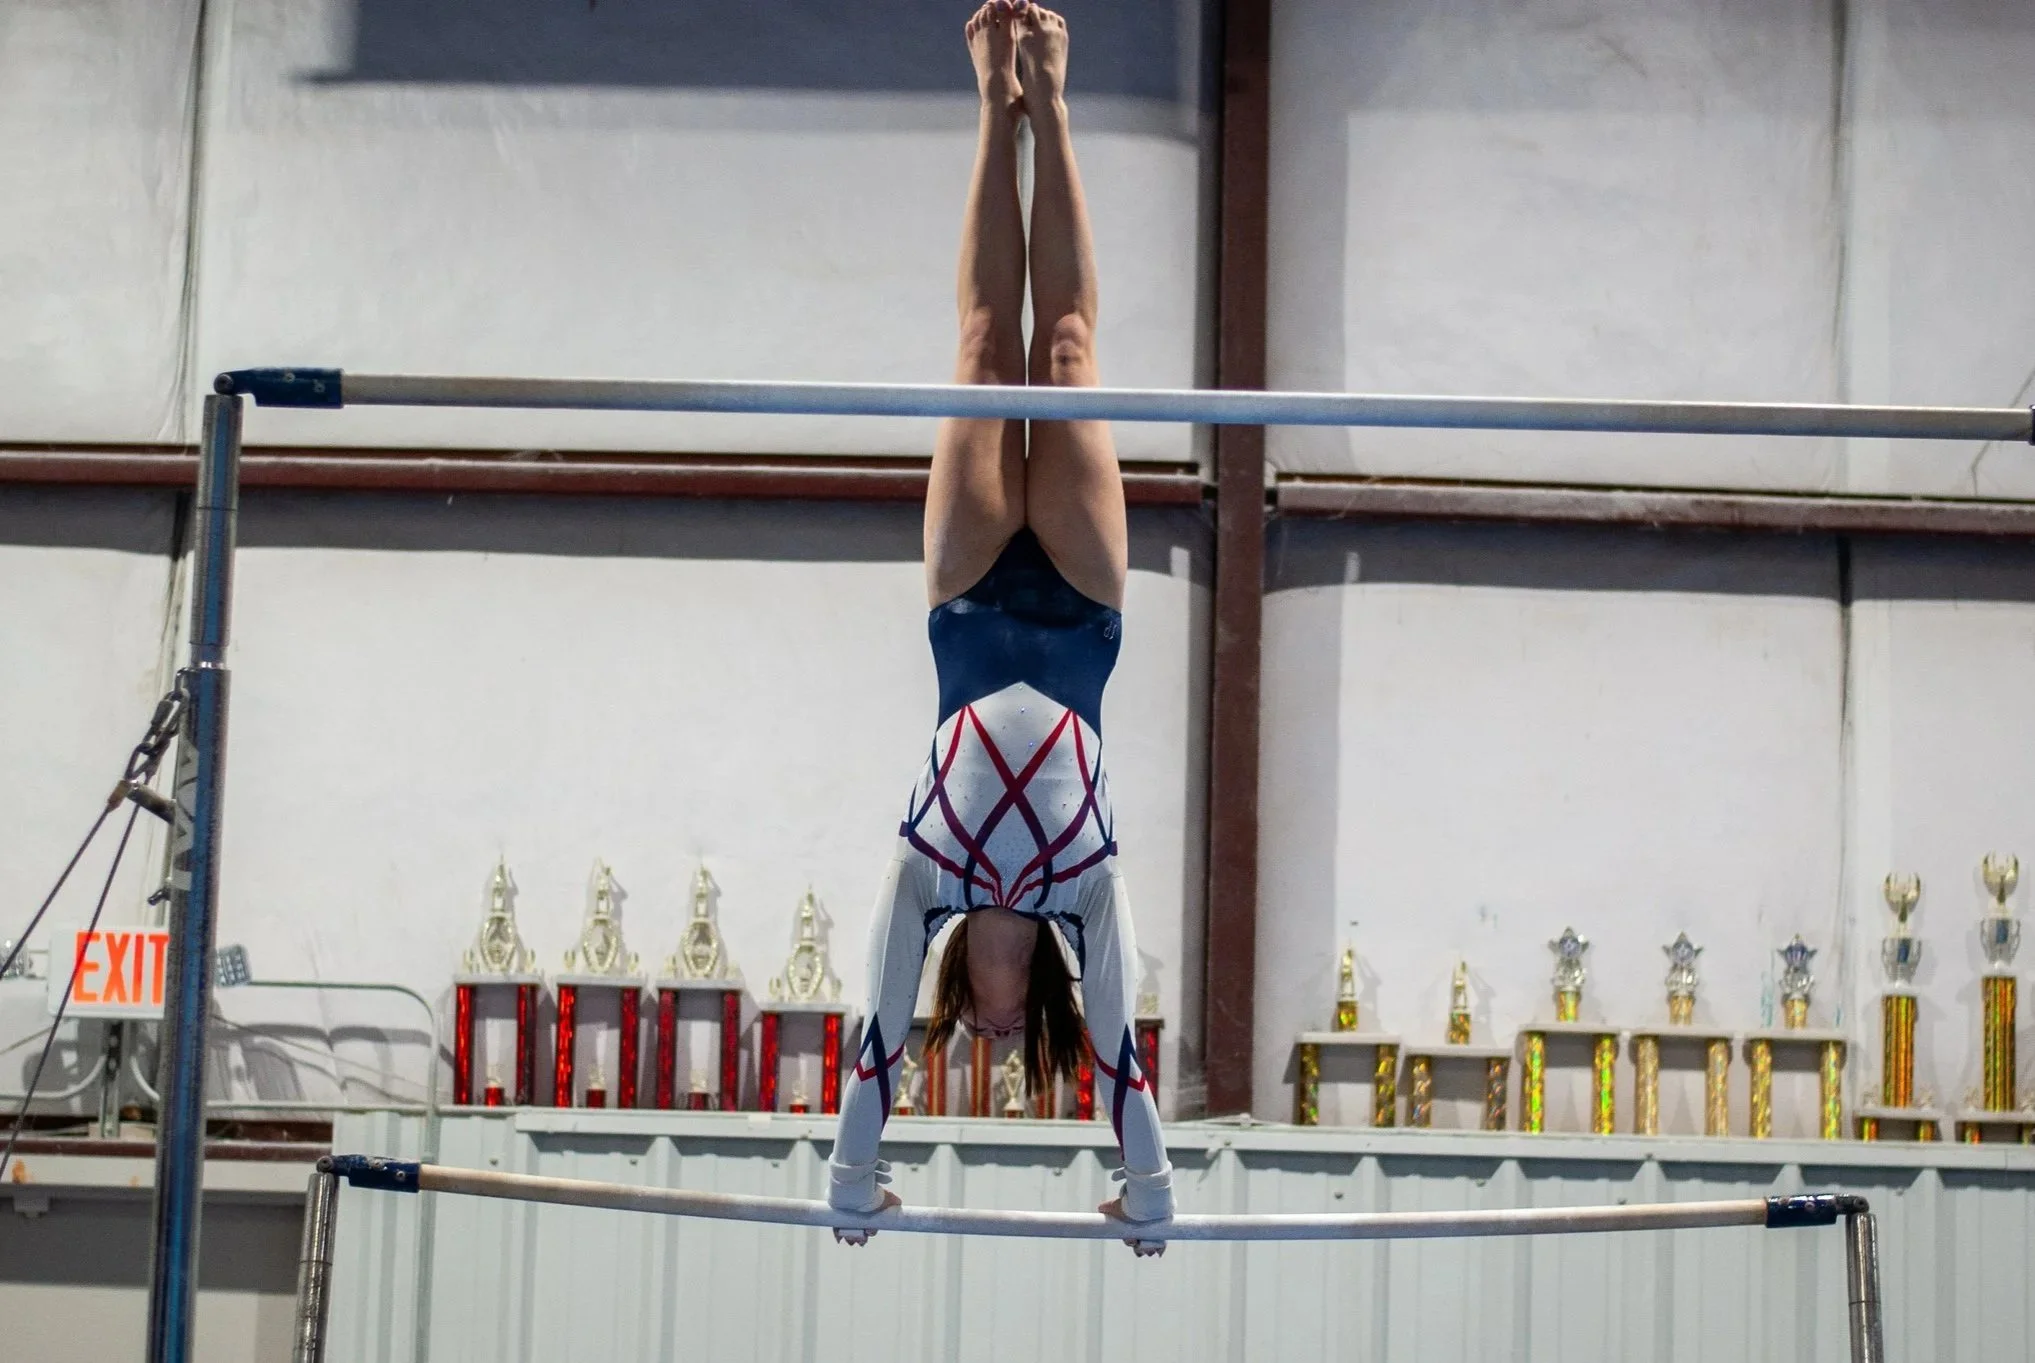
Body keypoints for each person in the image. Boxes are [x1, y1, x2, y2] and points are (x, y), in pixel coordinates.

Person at [826, 0, 1172, 1255]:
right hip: (1081, 614)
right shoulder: (1086, 896)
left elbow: (872, 1033)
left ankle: (995, 101)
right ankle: (1054, 104)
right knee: (1067, 355)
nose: (977, 1030)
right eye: (995, 1036)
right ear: (1029, 1009)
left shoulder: (927, 880)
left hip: (969, 603)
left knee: (983, 353)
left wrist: (853, 1179)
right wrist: (1151, 1191)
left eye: (963, 1030)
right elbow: (1128, 1048)